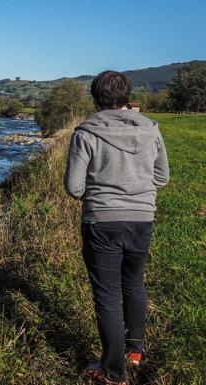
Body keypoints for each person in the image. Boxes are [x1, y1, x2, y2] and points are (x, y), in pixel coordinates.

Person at [64, 71, 170, 385]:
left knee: (108, 295)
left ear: (96, 98)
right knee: (134, 282)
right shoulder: (152, 130)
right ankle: (135, 352)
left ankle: (112, 371)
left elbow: (74, 187)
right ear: (126, 96)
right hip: (142, 219)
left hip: (102, 221)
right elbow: (162, 178)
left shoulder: (86, 132)